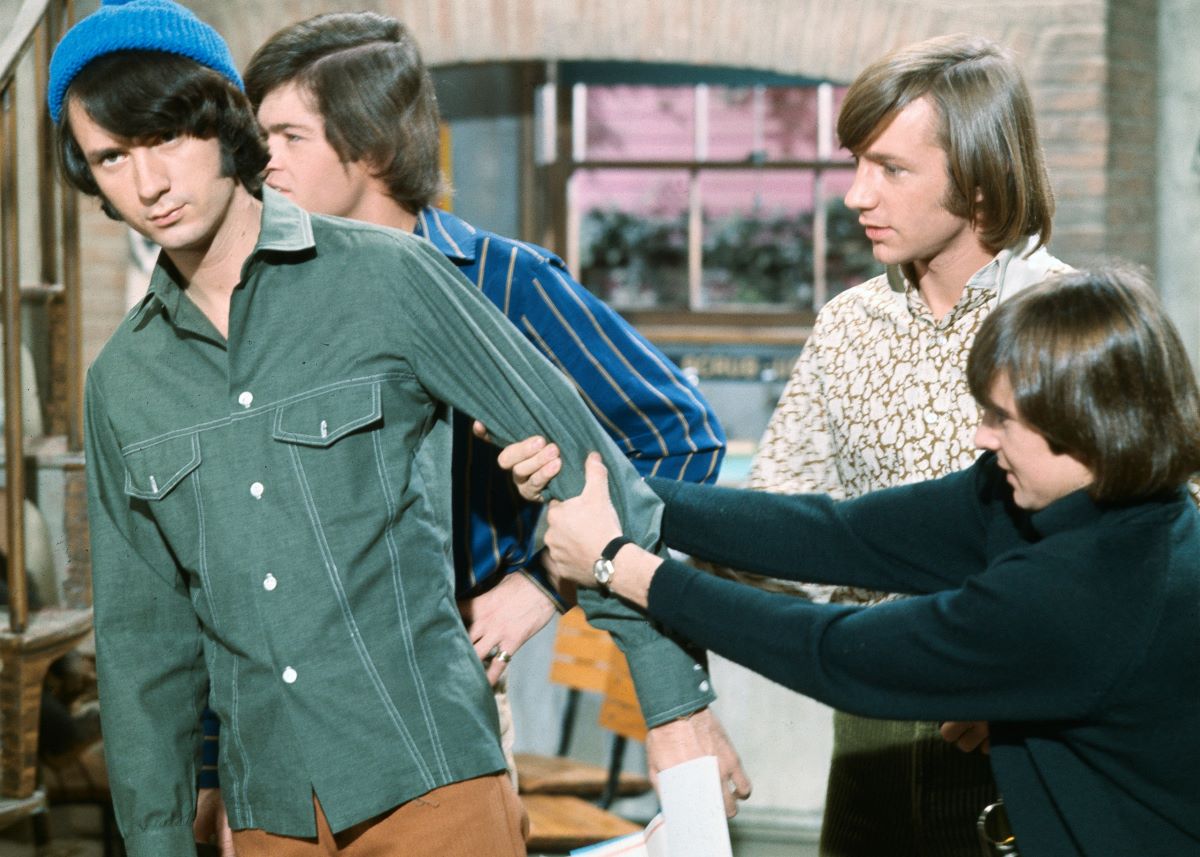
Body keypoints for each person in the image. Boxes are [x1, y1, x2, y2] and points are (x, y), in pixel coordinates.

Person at [50, 2, 734, 854]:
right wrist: (158, 836)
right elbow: (143, 640)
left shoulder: (389, 277)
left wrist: (674, 707)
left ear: (223, 128)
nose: (148, 182)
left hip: (432, 778)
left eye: (166, 140)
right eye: (112, 156)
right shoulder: (122, 382)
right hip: (272, 812)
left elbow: (592, 468)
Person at [500, 267, 1200, 857]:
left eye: (1003, 419)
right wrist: (618, 490)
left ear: (1088, 427)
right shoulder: (1058, 500)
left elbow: (838, 654)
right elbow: (840, 534)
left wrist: (621, 566)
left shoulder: (1092, 586)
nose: (981, 437)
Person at [726, 33, 1068, 856]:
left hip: (1031, 738)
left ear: (981, 183)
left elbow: (1158, 552)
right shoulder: (850, 324)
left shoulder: (1071, 324)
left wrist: (1035, 687)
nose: (854, 195)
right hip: (873, 732)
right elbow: (784, 524)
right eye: (855, 164)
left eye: (890, 169)